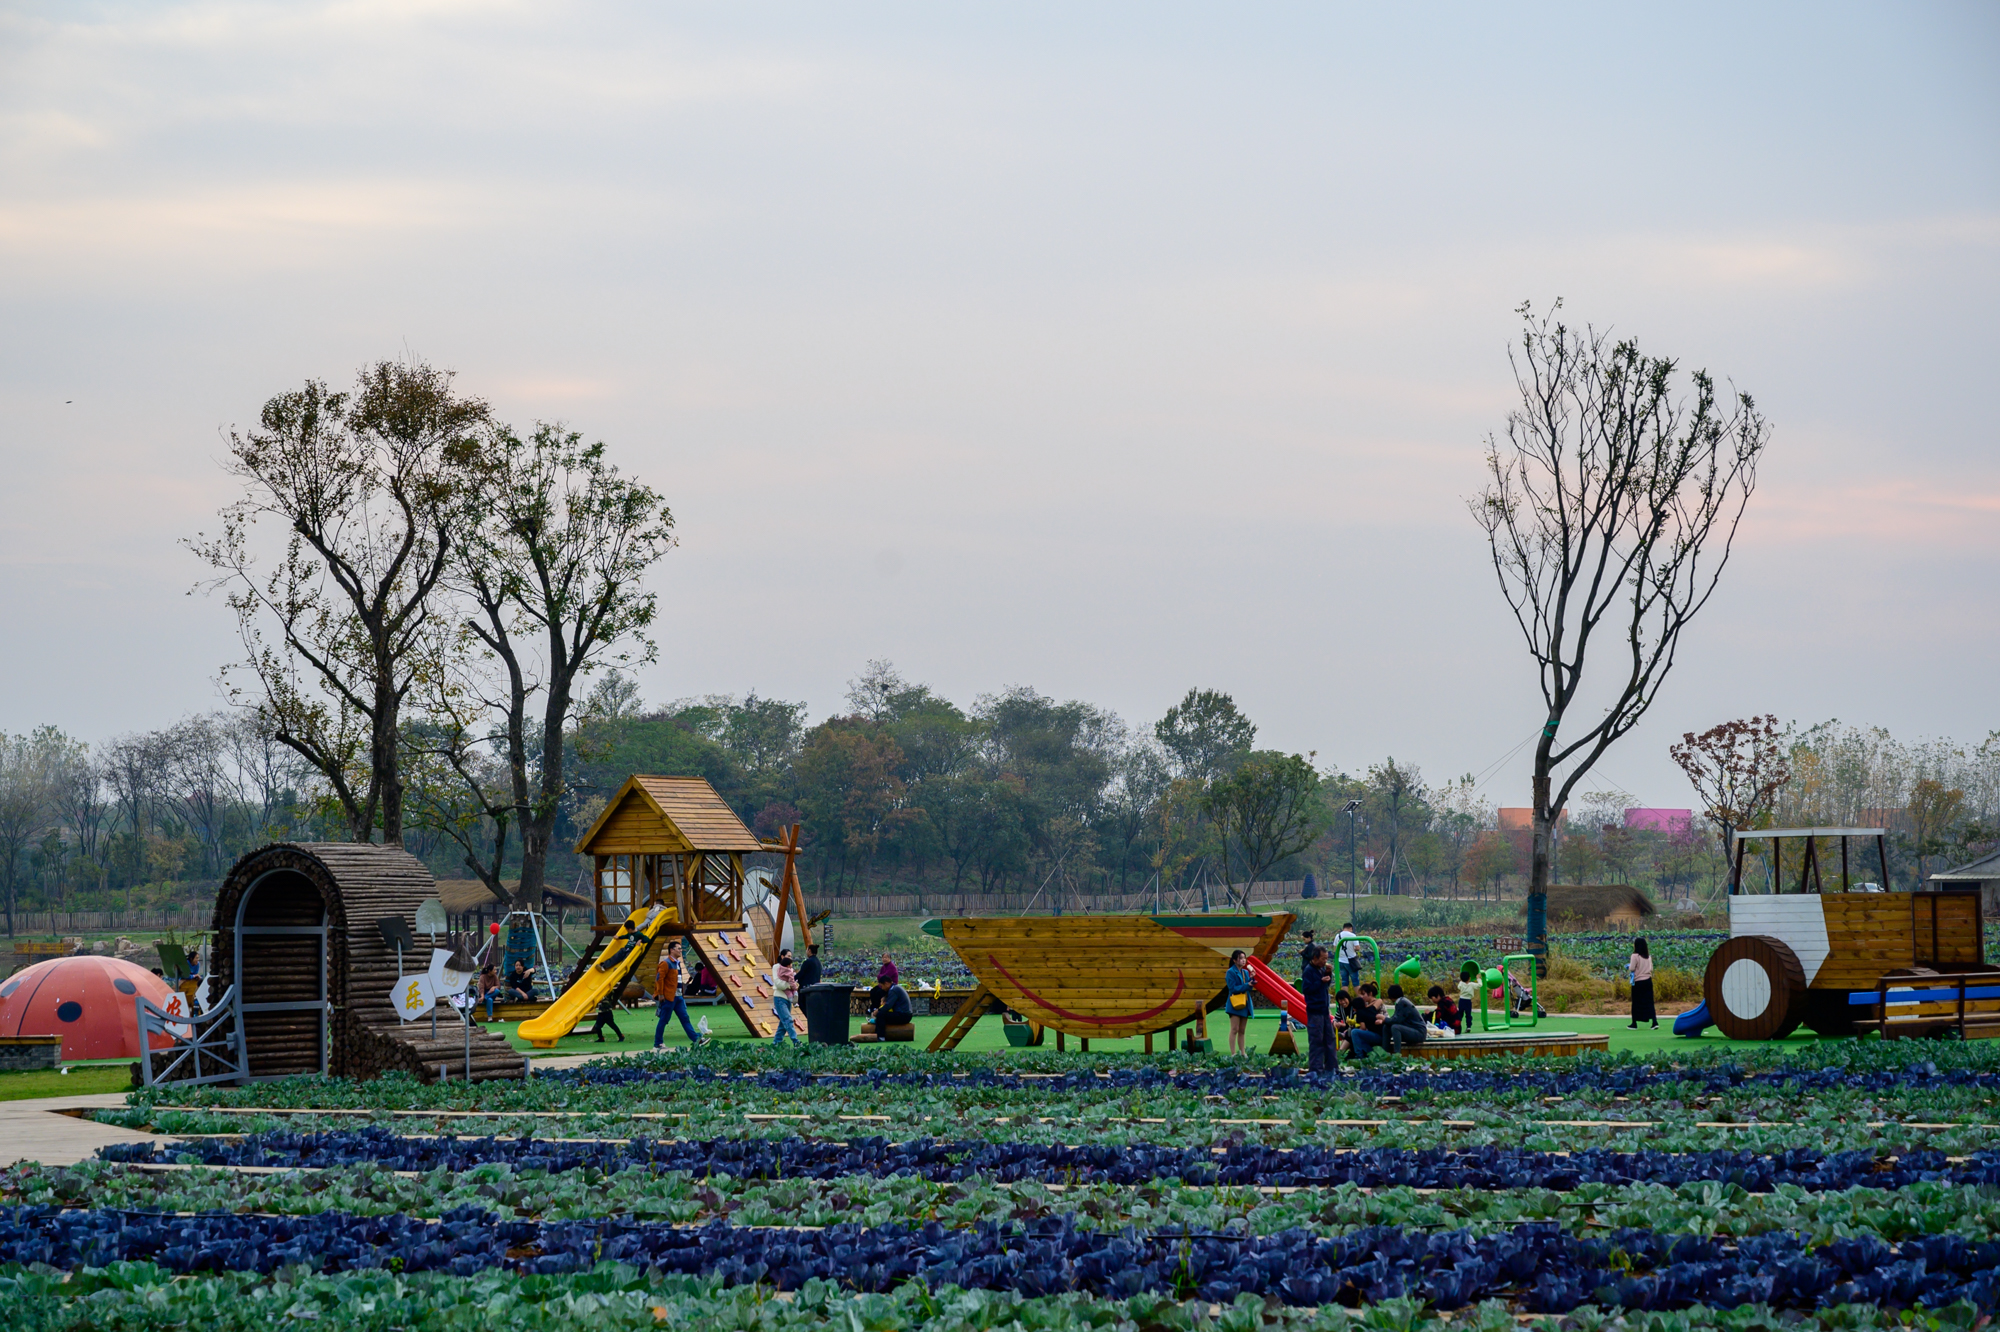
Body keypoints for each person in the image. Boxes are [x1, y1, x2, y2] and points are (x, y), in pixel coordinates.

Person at [654, 938, 704, 1048]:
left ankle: (697, 1039)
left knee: (685, 1018)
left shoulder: (677, 963)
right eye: (679, 949)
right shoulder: (665, 963)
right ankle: (658, 1043)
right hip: (669, 997)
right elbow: (659, 979)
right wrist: (661, 994)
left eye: (681, 949)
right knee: (664, 1020)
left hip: (678, 997)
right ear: (672, 950)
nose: (681, 950)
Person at [1300, 944, 1337, 1072]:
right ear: (1315, 957)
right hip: (1315, 1011)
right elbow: (1307, 989)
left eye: (1326, 959)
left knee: (1330, 1039)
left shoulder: (1321, 969)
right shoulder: (1308, 970)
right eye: (1323, 959)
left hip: (1324, 1010)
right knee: (1317, 1041)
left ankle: (1332, 1067)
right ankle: (1316, 1069)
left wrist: (1328, 974)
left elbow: (1325, 987)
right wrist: (1320, 981)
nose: (1325, 961)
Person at [1224, 949, 1256, 1055]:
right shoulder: (1230, 972)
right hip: (1235, 1003)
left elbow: (1248, 988)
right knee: (1234, 1029)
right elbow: (1233, 988)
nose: (1243, 960)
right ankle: (1233, 1053)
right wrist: (1247, 985)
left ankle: (1243, 1053)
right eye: (1240, 958)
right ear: (1234, 960)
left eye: (1244, 958)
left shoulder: (1245, 972)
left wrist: (1251, 980)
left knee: (1242, 1030)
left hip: (1245, 1003)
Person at [1385, 984, 1427, 1056]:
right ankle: (1384, 1052)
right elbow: (1394, 1018)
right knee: (1386, 1027)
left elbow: (1397, 1020)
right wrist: (1384, 1020)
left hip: (1419, 1033)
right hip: (1411, 1030)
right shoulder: (1400, 1002)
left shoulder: (1402, 1003)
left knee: (1395, 1027)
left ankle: (1397, 1054)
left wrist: (1384, 1019)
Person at [1349, 982, 1387, 1059]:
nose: (1362, 997)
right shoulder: (1372, 1007)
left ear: (1370, 993)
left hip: (1378, 1035)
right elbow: (1379, 1000)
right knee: (1358, 1038)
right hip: (1380, 1034)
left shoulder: (1362, 1011)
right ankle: (1372, 1054)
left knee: (1354, 1033)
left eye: (1363, 994)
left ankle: (1359, 1055)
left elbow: (1363, 1028)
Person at [1628, 936, 1657, 1030]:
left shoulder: (1635, 956)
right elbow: (1651, 968)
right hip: (1648, 981)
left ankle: (1634, 1023)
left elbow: (1632, 968)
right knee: (1649, 1002)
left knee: (1636, 1002)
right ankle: (1654, 1022)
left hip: (1638, 982)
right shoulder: (1648, 957)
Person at [773, 948, 801, 1045]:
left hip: (788, 999)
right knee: (788, 1020)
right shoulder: (776, 967)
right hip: (779, 997)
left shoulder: (790, 969)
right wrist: (790, 985)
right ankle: (796, 1041)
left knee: (783, 1024)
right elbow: (778, 984)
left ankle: (776, 1044)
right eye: (788, 956)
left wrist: (794, 985)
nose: (790, 958)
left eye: (791, 957)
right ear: (782, 956)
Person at [1336, 923, 1363, 990]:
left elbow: (1335, 948)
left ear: (1343, 928)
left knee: (1344, 982)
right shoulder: (1353, 935)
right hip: (1351, 961)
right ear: (1351, 928)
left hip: (1341, 961)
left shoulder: (1338, 936)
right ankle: (1360, 998)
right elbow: (1357, 948)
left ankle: (1344, 998)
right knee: (1355, 982)